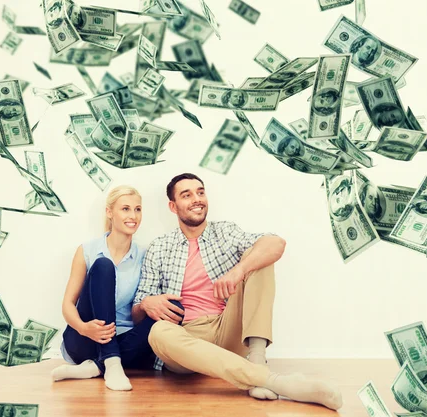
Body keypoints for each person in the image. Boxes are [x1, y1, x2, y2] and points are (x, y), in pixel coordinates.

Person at [132, 173, 343, 410]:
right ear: (173, 206)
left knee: (258, 258)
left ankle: (256, 360)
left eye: (200, 192)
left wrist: (238, 271)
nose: (197, 199)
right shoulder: (159, 247)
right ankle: (271, 380)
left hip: (228, 326)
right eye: (187, 195)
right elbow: (137, 311)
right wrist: (146, 303)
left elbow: (276, 243)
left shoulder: (225, 232)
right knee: (158, 332)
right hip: (189, 339)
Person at [52, 185, 182, 391]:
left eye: (138, 209)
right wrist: (84, 328)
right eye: (126, 209)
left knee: (173, 308)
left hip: (125, 341)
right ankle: (111, 362)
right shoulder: (87, 250)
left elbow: (140, 313)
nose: (133, 216)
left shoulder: (145, 255)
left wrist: (151, 304)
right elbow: (68, 304)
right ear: (109, 212)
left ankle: (98, 366)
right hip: (85, 337)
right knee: (104, 266)